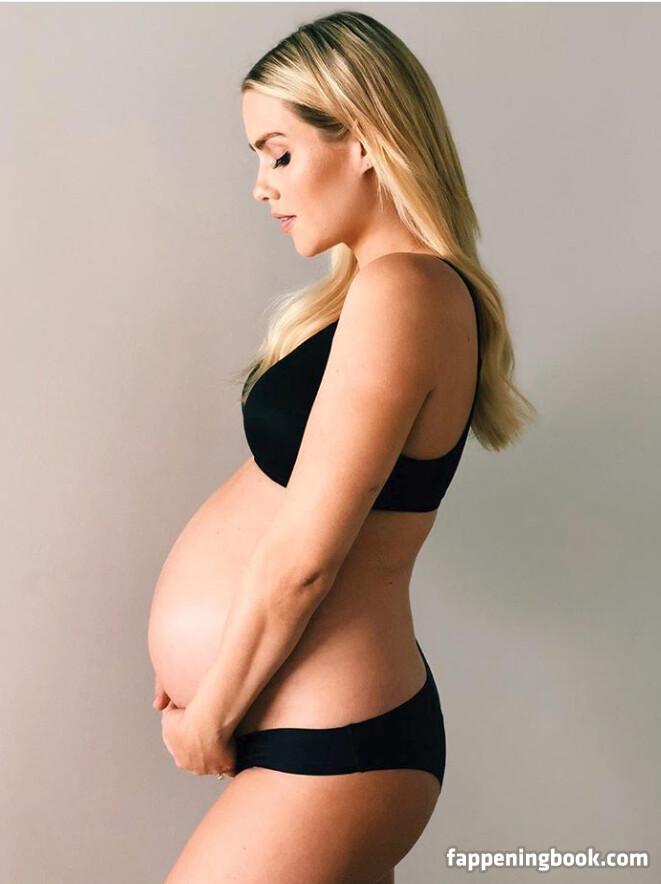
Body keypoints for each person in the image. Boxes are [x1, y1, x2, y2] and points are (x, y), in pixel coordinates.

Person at [158, 10, 536, 883]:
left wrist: (210, 712)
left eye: (279, 153)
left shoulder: (408, 291)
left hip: (330, 742)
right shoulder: (374, 292)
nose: (261, 186)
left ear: (362, 138)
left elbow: (302, 559)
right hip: (309, 730)